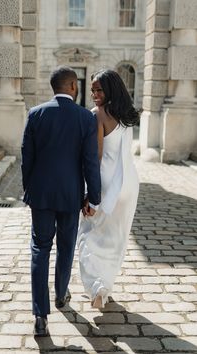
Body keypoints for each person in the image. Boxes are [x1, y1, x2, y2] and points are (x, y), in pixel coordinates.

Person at [21, 66, 101, 336]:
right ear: (73, 86)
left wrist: (30, 190)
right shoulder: (85, 118)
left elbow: (26, 158)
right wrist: (94, 197)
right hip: (70, 194)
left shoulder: (36, 114)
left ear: (53, 87)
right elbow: (91, 162)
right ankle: (60, 293)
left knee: (39, 249)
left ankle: (40, 315)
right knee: (66, 247)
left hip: (41, 194)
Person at [78, 69, 140, 309]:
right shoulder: (127, 114)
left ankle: (97, 288)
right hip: (129, 184)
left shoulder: (98, 115)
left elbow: (97, 155)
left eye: (98, 89)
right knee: (117, 238)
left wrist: (89, 195)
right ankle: (105, 286)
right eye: (92, 89)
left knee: (88, 235)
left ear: (110, 89)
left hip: (105, 185)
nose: (94, 94)